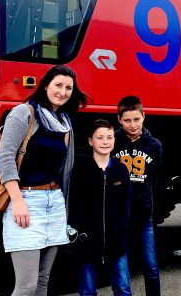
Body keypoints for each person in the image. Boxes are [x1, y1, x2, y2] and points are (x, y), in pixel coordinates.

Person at [0, 64, 87, 296]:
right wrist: (16, 200)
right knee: (26, 286)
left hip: (54, 202)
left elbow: (62, 169)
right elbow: (4, 157)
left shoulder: (64, 121)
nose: (63, 92)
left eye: (68, 88)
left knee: (43, 282)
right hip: (26, 200)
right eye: (58, 85)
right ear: (45, 85)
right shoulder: (24, 112)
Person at [68, 119, 131, 296]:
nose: (105, 142)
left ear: (114, 141)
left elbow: (125, 206)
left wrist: (121, 233)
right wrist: (81, 234)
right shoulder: (80, 170)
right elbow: (75, 204)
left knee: (123, 288)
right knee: (87, 291)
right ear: (90, 141)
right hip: (87, 243)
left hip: (116, 243)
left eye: (109, 137)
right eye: (100, 137)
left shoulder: (120, 170)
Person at [113, 95, 163, 296]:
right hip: (119, 216)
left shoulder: (154, 145)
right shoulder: (113, 142)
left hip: (144, 216)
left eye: (136, 119)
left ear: (144, 116)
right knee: (120, 265)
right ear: (119, 120)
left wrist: (151, 206)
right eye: (127, 120)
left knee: (150, 265)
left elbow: (156, 178)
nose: (132, 125)